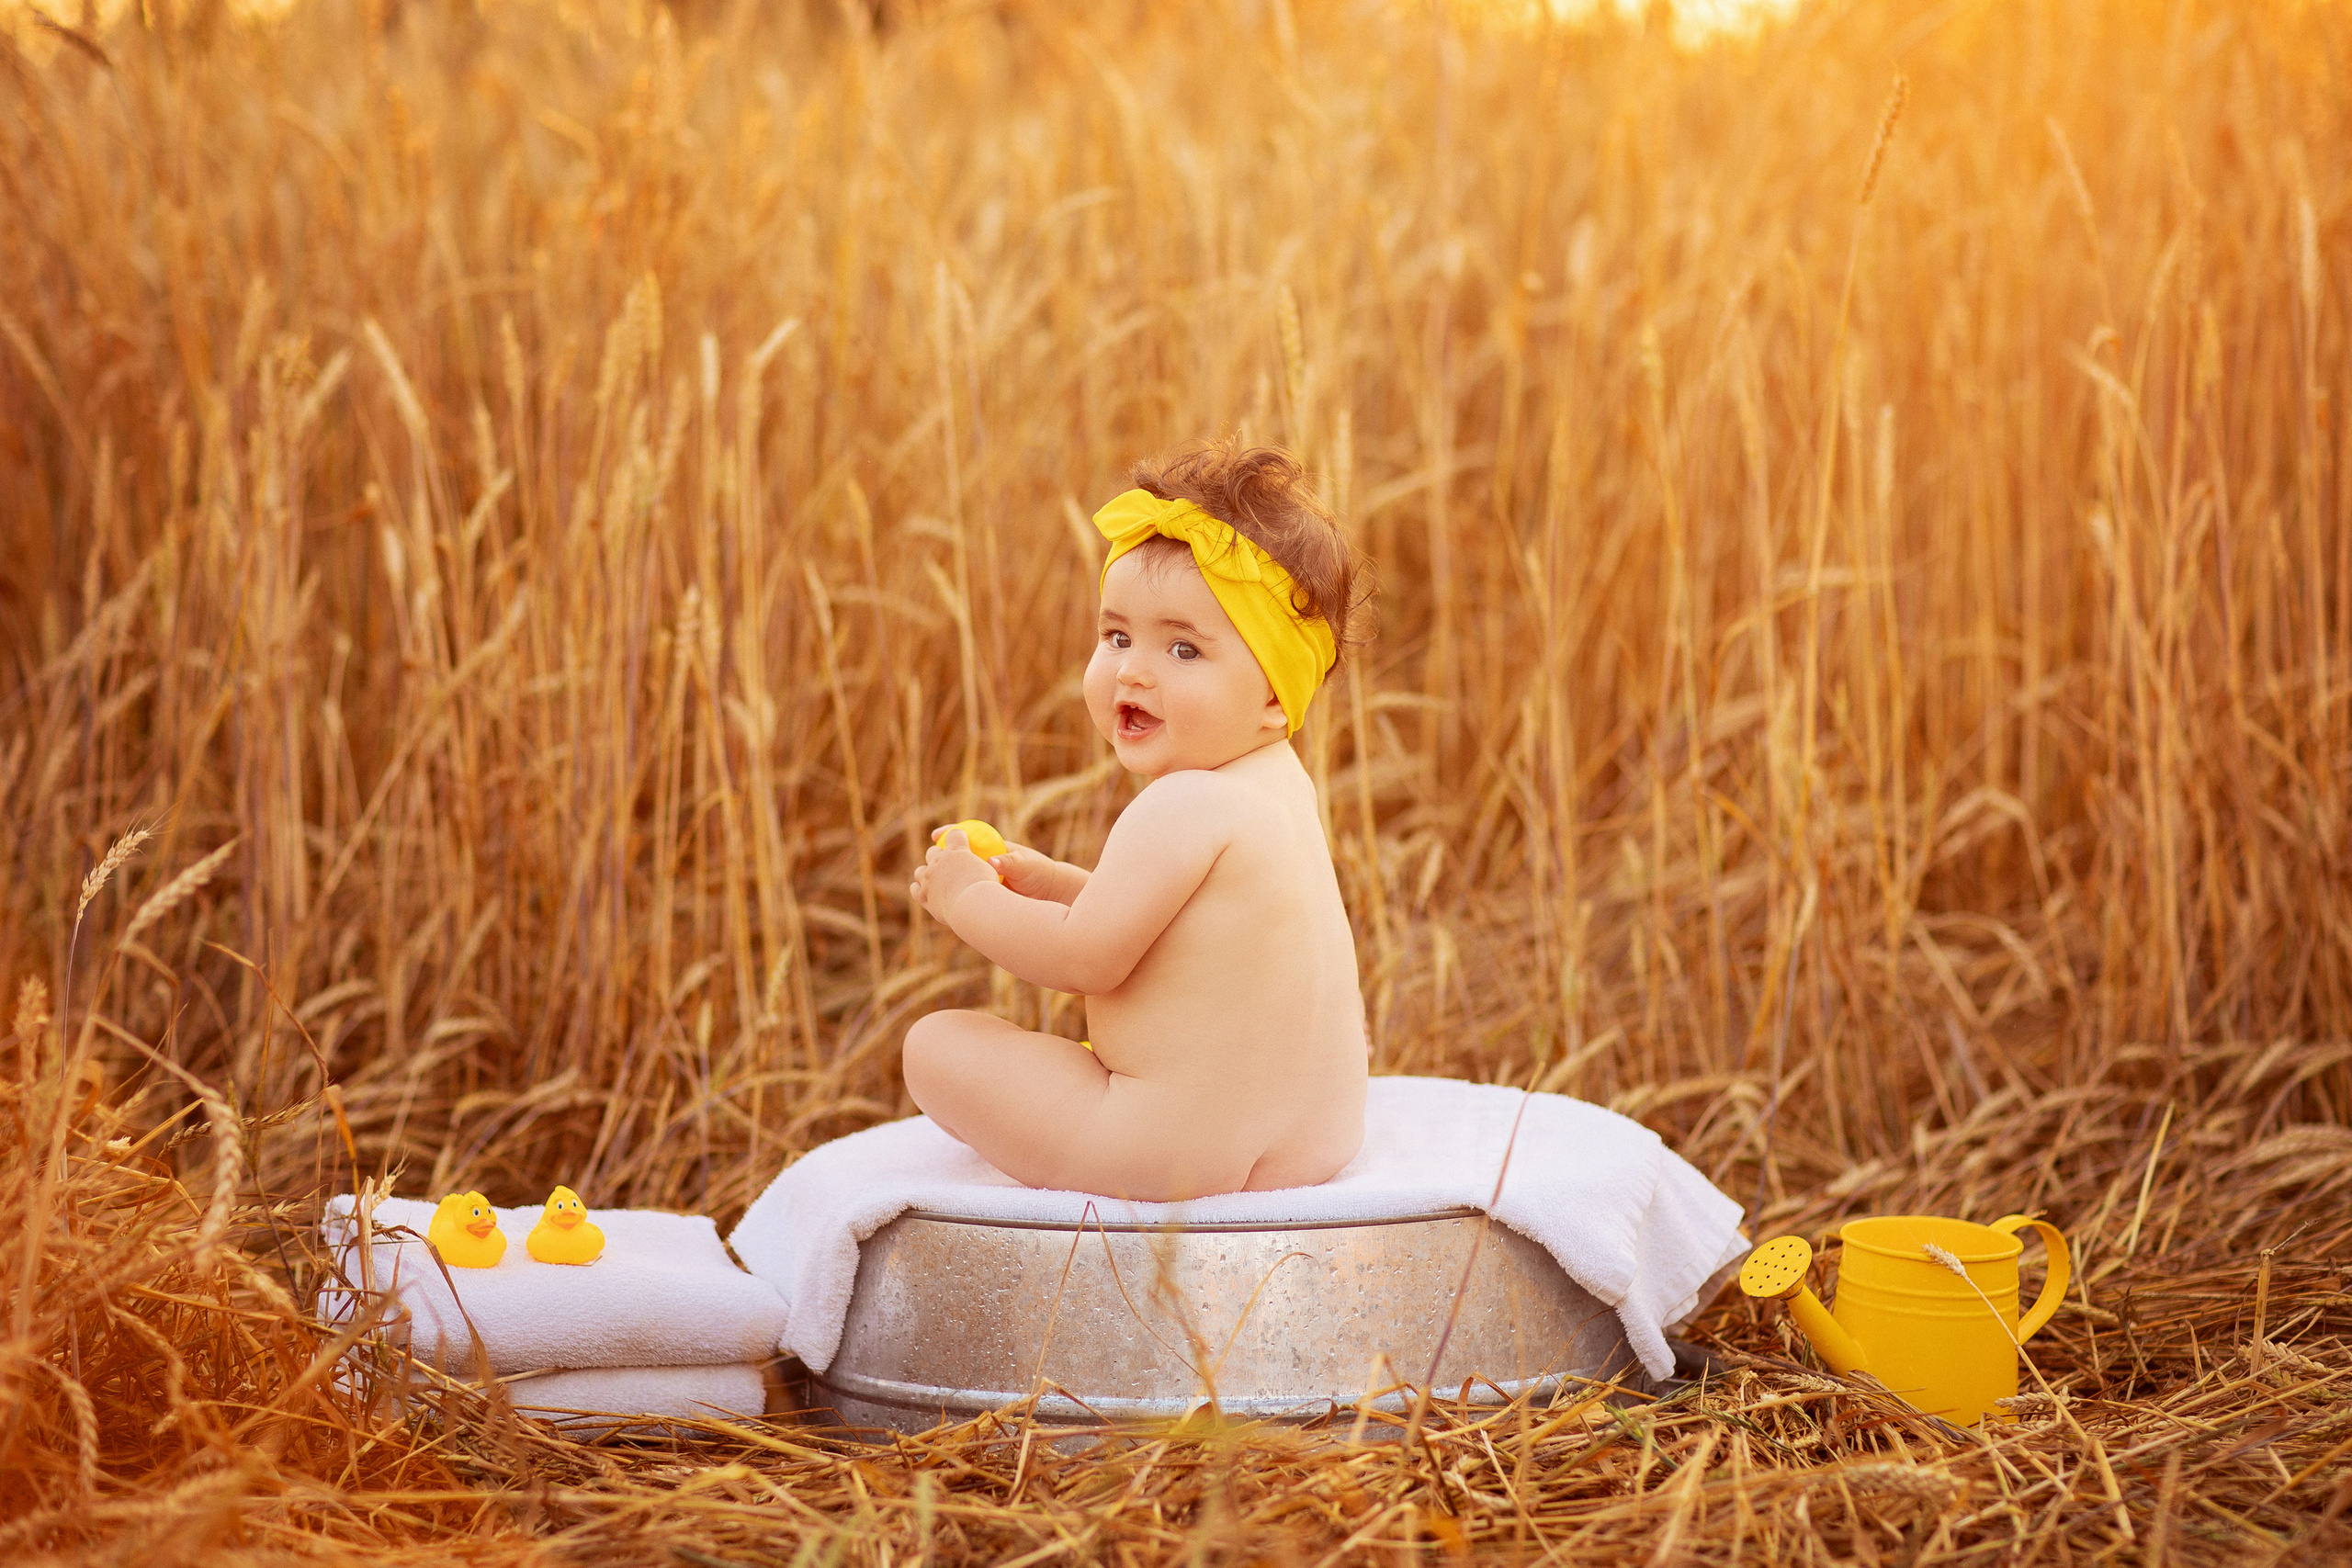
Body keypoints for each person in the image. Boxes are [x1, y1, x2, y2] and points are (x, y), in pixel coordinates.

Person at [903, 440, 1371, 1201]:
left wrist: (967, 897)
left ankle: (1113, 1139)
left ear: (1275, 694)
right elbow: (1184, 928)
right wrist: (1054, 883)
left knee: (937, 1045)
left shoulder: (1180, 803)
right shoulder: (1278, 785)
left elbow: (1086, 959)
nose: (1134, 670)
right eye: (1117, 636)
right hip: (1313, 1141)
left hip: (1166, 1147)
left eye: (1183, 647)